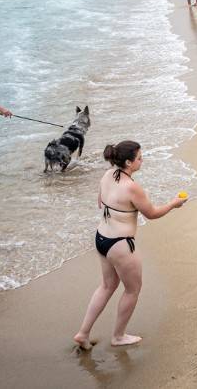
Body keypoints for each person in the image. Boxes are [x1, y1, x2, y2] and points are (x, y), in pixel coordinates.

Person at [73, 140, 187, 350]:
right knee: (133, 290)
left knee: (107, 286)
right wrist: (173, 203)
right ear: (128, 162)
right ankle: (118, 336)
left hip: (101, 238)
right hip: (121, 245)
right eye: (139, 158)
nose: (142, 160)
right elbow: (151, 214)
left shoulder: (107, 175)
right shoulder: (133, 188)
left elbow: (101, 202)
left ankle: (83, 333)